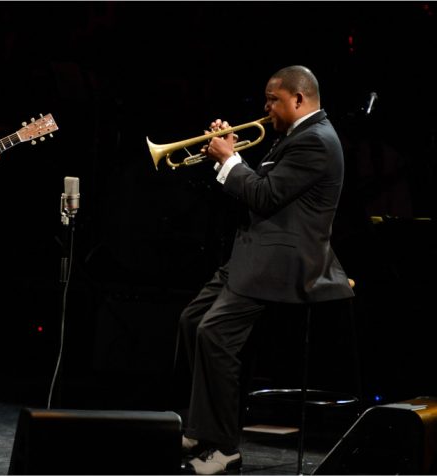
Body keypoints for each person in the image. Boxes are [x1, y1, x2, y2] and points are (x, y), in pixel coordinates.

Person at [177, 65, 355, 475]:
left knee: (214, 334)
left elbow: (264, 195)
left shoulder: (316, 142)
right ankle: (203, 427)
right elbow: (261, 187)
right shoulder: (294, 138)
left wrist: (229, 159)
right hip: (255, 254)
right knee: (192, 320)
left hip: (284, 264)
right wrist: (228, 154)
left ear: (299, 99)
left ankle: (225, 449)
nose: (266, 107)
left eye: (274, 99)